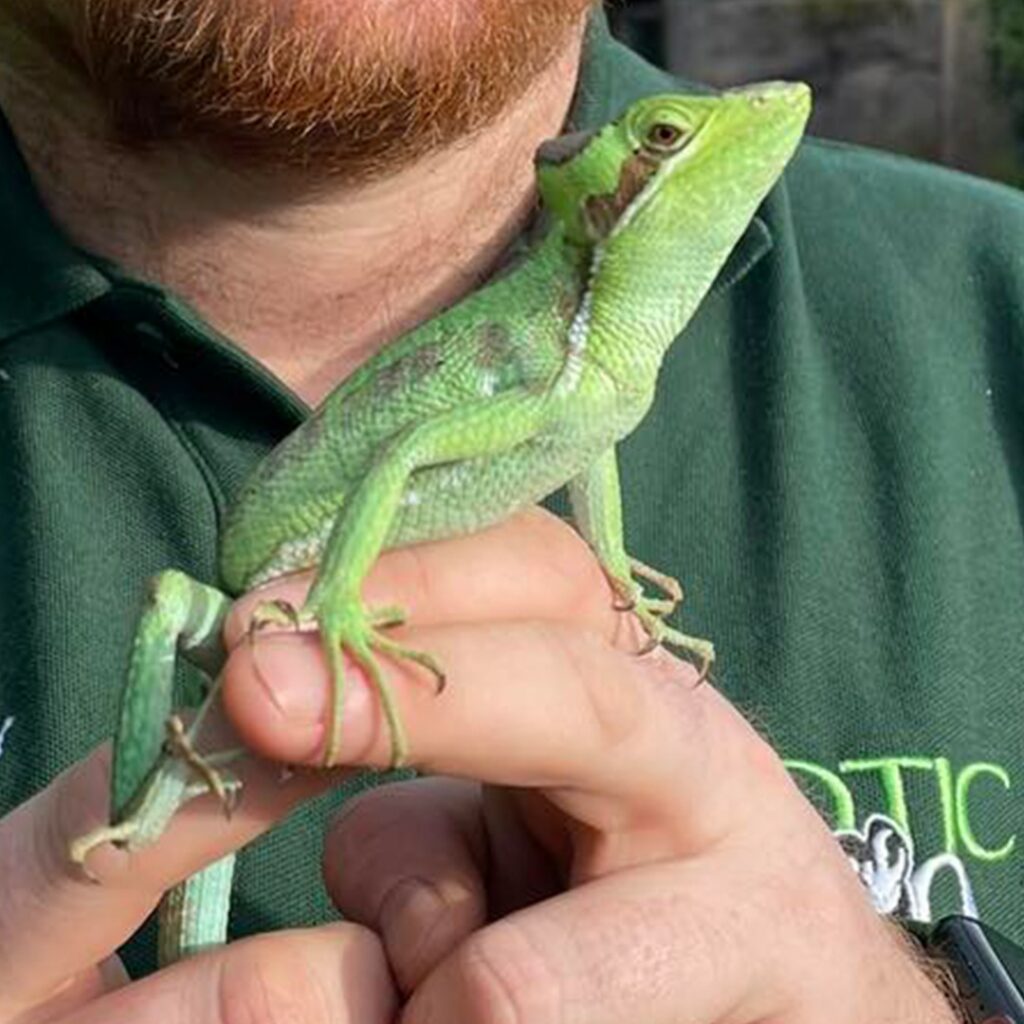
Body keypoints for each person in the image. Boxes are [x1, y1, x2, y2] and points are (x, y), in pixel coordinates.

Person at [1, 0, 1020, 1020]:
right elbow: (406, 452)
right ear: (606, 204)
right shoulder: (559, 356)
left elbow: (586, 441)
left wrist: (942, 999)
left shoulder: (987, 293)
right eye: (662, 140)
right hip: (291, 559)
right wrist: (343, 602)